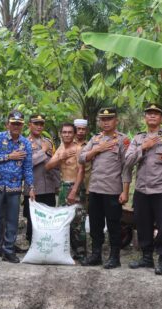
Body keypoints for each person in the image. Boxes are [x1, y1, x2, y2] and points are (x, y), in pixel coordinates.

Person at [123, 103, 162, 275]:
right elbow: (127, 163)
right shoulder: (137, 139)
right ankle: (147, 257)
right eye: (149, 114)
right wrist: (144, 147)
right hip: (142, 190)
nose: (152, 116)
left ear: (161, 118)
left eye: (156, 114)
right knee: (143, 225)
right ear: (145, 117)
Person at [79, 107, 130, 269]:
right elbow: (81, 158)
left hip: (113, 190)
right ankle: (96, 255)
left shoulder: (123, 140)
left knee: (114, 225)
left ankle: (115, 257)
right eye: (103, 119)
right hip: (95, 189)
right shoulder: (95, 139)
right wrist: (96, 149)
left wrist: (125, 190)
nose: (106, 122)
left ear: (116, 121)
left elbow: (126, 167)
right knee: (95, 224)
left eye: (109, 119)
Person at [0, 110, 35, 265]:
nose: (16, 126)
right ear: (7, 124)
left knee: (12, 221)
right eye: (13, 123)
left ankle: (8, 251)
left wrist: (31, 187)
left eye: (19, 124)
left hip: (14, 188)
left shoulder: (25, 143)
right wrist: (9, 156)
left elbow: (27, 167)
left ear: (22, 126)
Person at [46, 123, 86, 260]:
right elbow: (48, 166)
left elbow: (81, 171)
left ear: (74, 134)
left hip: (75, 187)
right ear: (61, 134)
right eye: (64, 132)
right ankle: (65, 251)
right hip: (63, 187)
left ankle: (81, 253)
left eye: (70, 132)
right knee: (62, 221)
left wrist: (74, 191)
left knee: (77, 222)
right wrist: (61, 157)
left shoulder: (78, 149)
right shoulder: (60, 149)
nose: (67, 134)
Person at [23, 113, 59, 245]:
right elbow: (26, 164)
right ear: (29, 125)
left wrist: (57, 185)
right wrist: (42, 152)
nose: (39, 126)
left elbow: (54, 165)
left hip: (49, 187)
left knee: (48, 220)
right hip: (33, 188)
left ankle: (46, 247)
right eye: (36, 123)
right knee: (33, 221)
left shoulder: (49, 142)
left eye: (41, 124)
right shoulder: (24, 143)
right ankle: (32, 247)